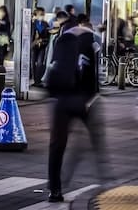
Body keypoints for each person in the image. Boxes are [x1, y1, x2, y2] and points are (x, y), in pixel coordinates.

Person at [45, 13, 104, 203]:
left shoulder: (62, 38)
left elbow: (52, 65)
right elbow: (93, 73)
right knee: (96, 138)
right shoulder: (92, 41)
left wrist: (52, 95)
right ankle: (105, 178)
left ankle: (55, 189)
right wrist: (90, 98)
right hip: (80, 99)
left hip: (60, 99)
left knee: (57, 145)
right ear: (88, 26)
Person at [31, 8, 51, 86]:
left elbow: (48, 35)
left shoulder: (46, 24)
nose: (42, 16)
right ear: (36, 15)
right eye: (40, 15)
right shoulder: (32, 24)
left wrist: (43, 40)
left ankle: (38, 80)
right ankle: (34, 79)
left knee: (40, 63)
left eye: (43, 15)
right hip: (33, 45)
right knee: (33, 63)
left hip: (42, 46)